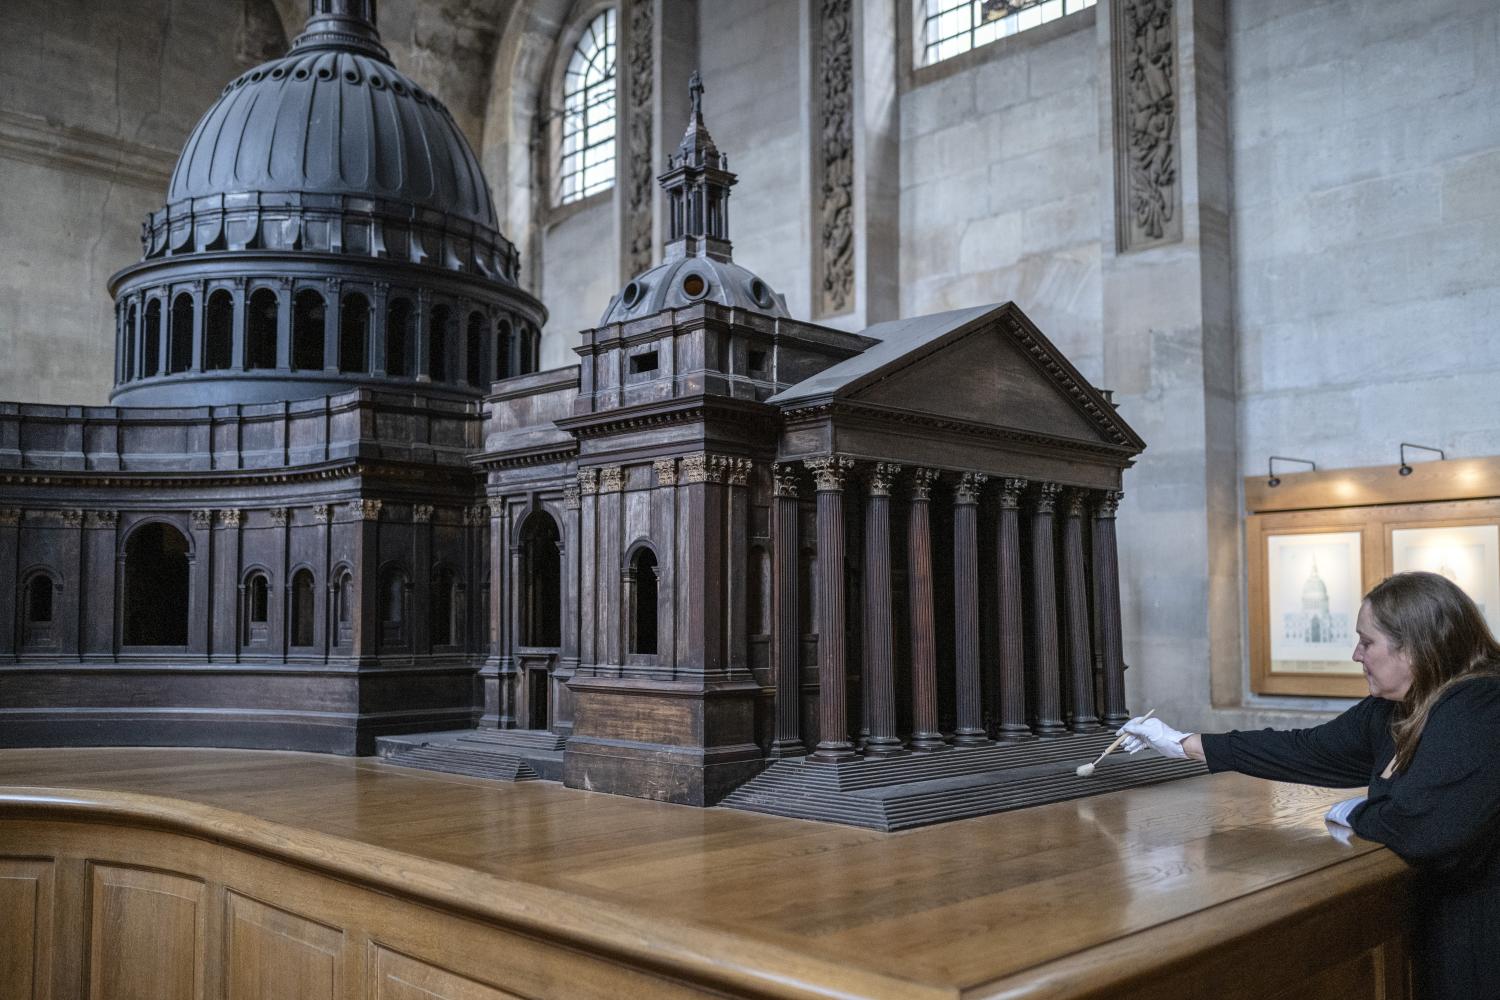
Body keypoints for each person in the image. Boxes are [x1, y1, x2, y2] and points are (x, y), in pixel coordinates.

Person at [1120, 571, 1500, 1000]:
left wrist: (1355, 812)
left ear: (1413, 648)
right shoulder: (1400, 706)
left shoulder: (1481, 705)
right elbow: (1308, 749)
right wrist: (1183, 743)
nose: (1356, 654)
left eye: (1367, 642)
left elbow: (1423, 827)